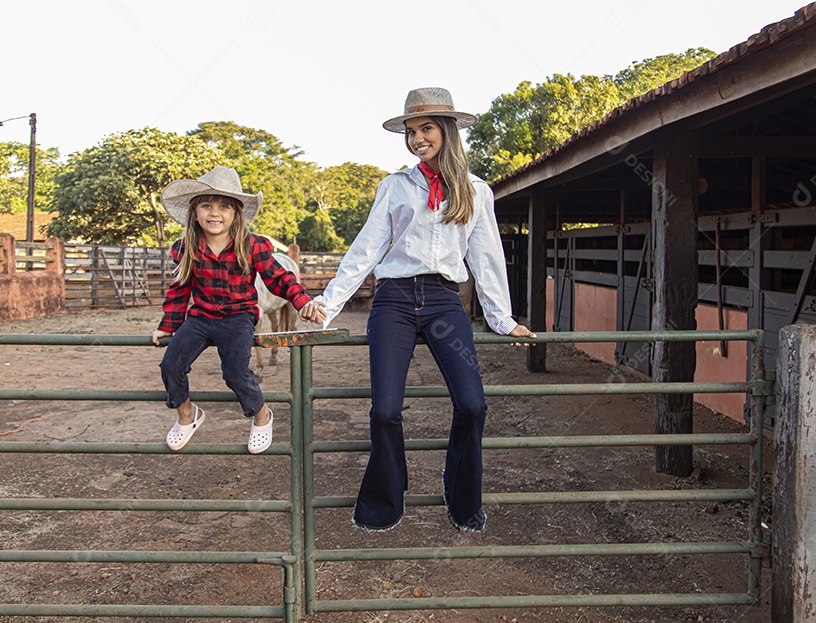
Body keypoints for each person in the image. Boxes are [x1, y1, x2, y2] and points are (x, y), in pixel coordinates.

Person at [299, 87, 536, 533]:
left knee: (473, 404)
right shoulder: (394, 186)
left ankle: (461, 493)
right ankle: (387, 499)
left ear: (447, 131)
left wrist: (502, 319)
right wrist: (328, 304)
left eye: (425, 129)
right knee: (385, 410)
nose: (416, 138)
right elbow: (366, 248)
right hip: (395, 300)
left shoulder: (476, 192)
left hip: (445, 301)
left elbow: (486, 257)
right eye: (410, 131)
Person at [152, 165, 325, 453]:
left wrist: (302, 300)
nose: (214, 213)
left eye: (224, 207)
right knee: (170, 365)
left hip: (237, 317)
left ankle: (261, 414)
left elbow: (278, 277)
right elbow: (180, 288)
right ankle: (187, 414)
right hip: (201, 317)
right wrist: (168, 326)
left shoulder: (251, 245)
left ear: (236, 213)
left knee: (235, 373)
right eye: (206, 205)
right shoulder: (187, 247)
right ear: (195, 212)